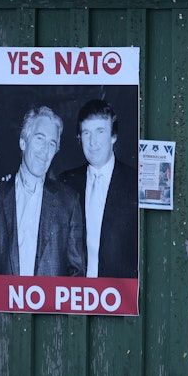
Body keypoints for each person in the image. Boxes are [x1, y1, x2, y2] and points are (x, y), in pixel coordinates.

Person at [0, 106, 85, 277]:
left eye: (52, 144)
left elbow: (77, 273)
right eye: (39, 139)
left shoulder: (69, 202)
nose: (45, 150)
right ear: (23, 142)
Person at [60, 99, 138, 279]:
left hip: (121, 297)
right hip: (75, 296)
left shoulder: (135, 182)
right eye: (86, 133)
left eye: (100, 131)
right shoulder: (66, 182)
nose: (92, 142)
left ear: (113, 136)